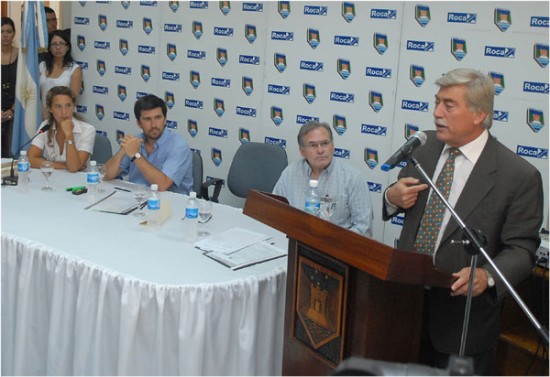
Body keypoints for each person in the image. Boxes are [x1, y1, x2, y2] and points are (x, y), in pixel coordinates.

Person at [382, 68, 543, 375]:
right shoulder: (425, 147)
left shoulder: (518, 176)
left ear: (478, 114)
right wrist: (392, 196)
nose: (436, 112)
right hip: (405, 304)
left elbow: (522, 249)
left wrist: (487, 276)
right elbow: (398, 197)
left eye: (448, 105)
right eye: (436, 102)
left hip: (463, 321)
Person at [273, 120, 373, 237]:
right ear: (302, 151)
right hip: (295, 242)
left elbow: (363, 228)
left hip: (335, 248)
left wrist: (334, 242)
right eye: (313, 145)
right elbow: (275, 212)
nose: (320, 150)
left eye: (325, 143)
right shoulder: (290, 173)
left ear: (333, 146)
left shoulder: (352, 178)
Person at [103, 94, 193, 194]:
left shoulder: (178, 145)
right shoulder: (135, 142)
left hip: (171, 204)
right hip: (137, 199)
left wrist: (135, 155)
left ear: (165, 119)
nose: (154, 125)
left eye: (158, 117)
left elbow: (162, 185)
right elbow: (106, 174)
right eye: (147, 119)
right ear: (139, 123)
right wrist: (123, 150)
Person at [28, 86, 96, 172]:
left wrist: (69, 135)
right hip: (53, 178)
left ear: (73, 107)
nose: (64, 112)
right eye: (58, 107)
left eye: (68, 105)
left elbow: (73, 167)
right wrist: (63, 165)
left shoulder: (88, 130)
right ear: (50, 109)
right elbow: (30, 159)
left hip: (78, 182)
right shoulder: (46, 126)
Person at [39, 29, 82, 120]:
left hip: (65, 115)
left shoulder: (74, 69)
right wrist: (44, 115)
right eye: (54, 44)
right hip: (44, 115)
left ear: (67, 47)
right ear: (49, 48)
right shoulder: (42, 66)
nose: (58, 47)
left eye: (62, 44)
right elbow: (36, 94)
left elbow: (73, 97)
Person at [1, 17, 17, 157]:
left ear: (14, 34)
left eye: (9, 31)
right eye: (1, 31)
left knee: (11, 153)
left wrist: (12, 110)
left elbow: (25, 88)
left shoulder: (22, 56)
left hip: (16, 110)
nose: (5, 35)